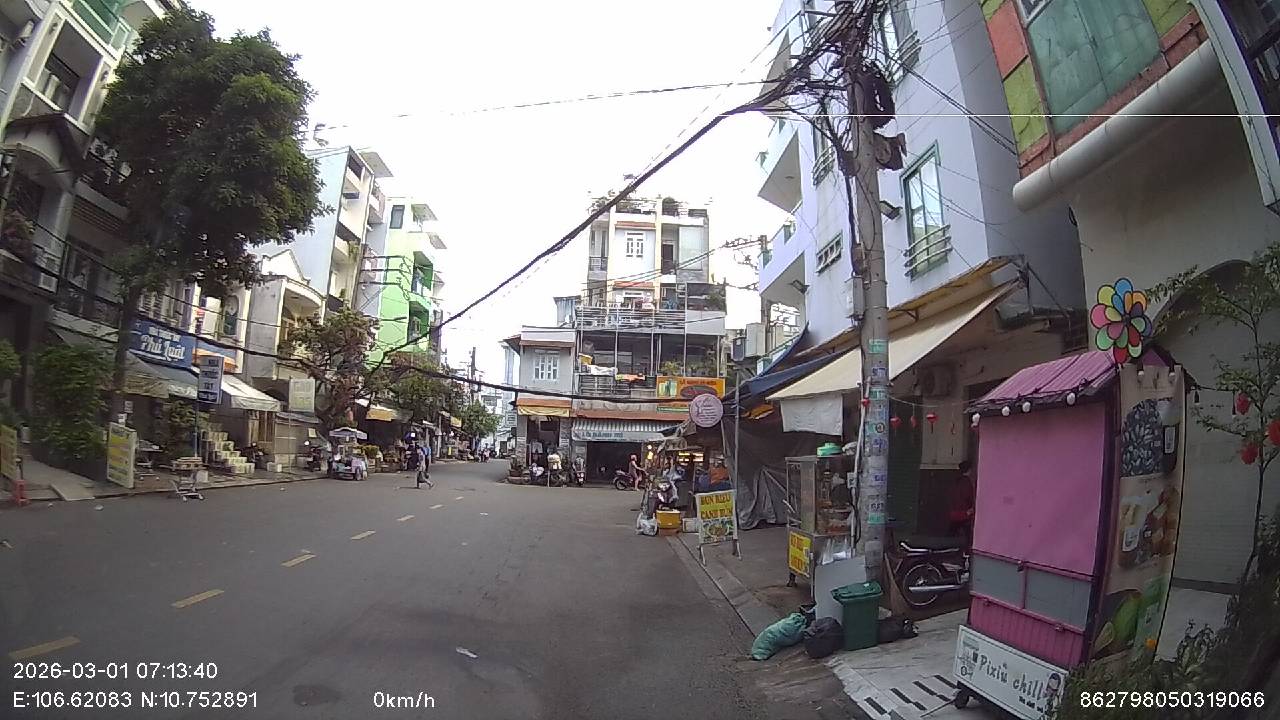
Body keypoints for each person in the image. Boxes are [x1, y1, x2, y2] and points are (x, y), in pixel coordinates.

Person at [948, 460, 976, 544]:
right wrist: (970, 508)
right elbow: (968, 496)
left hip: (954, 512)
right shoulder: (967, 482)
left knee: (952, 532)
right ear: (969, 470)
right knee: (968, 535)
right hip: (964, 512)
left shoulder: (956, 481)